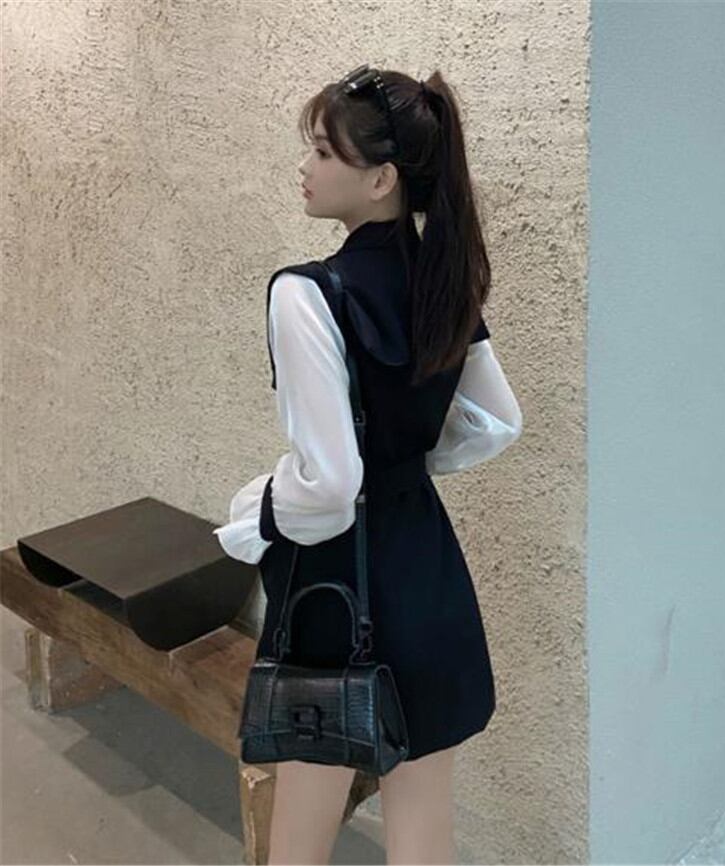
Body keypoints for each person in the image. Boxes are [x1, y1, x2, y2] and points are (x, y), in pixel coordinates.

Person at [213, 65, 523, 866]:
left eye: (323, 152)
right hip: (425, 572)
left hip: (334, 587)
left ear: (381, 179)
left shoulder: (308, 293)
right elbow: (496, 422)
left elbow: (328, 487)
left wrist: (254, 512)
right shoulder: (445, 278)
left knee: (301, 830)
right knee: (423, 826)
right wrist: (403, 463)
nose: (305, 167)